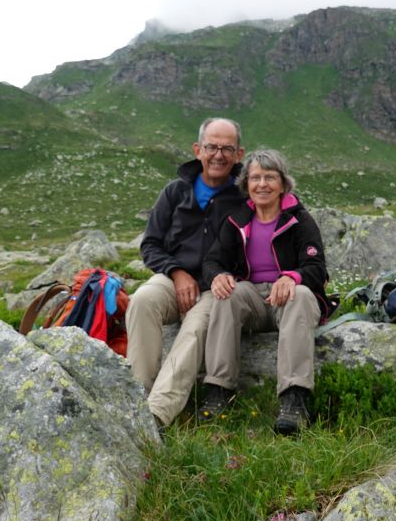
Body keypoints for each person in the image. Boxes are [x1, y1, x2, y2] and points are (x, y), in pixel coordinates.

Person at [198, 149, 329, 435]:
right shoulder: (237, 221)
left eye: (270, 177)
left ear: (283, 183)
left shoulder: (299, 219)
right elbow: (212, 260)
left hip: (289, 301)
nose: (262, 184)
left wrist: (292, 276)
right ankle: (219, 391)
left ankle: (294, 400)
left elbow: (317, 267)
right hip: (253, 300)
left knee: (301, 294)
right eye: (255, 178)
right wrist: (218, 276)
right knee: (226, 295)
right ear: (246, 184)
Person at [126, 117, 246, 427]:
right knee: (142, 300)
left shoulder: (246, 196)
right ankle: (134, 398)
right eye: (211, 147)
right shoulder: (175, 191)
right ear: (197, 150)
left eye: (227, 149)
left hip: (217, 287)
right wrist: (176, 272)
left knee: (194, 330)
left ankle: (156, 416)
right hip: (171, 278)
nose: (218, 155)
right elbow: (150, 244)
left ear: (239, 155)